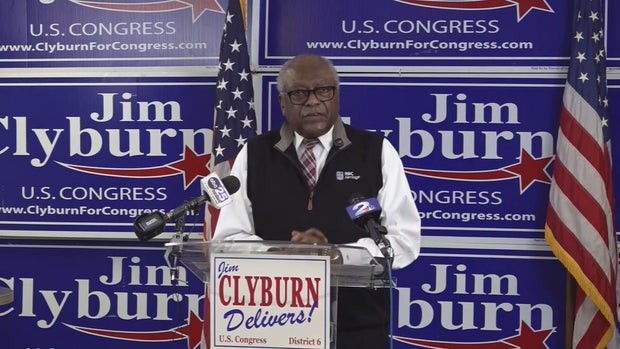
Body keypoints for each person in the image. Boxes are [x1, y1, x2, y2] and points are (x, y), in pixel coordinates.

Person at [213, 54, 421, 349]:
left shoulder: (376, 152)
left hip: (357, 327)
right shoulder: (254, 154)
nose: (312, 102)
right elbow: (228, 240)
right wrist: (281, 253)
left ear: (337, 97)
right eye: (299, 93)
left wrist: (336, 257)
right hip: (271, 325)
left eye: (323, 90)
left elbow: (404, 241)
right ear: (282, 103)